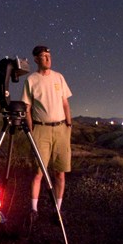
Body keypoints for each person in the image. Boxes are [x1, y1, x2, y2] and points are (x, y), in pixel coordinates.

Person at [21, 45, 73, 226]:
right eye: (43, 56)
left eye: (49, 55)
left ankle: (58, 210)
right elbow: (27, 108)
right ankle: (33, 210)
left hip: (61, 129)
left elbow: (65, 103)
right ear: (36, 59)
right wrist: (31, 130)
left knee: (60, 172)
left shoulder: (59, 77)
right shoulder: (31, 80)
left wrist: (69, 125)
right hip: (40, 130)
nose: (47, 59)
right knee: (38, 172)